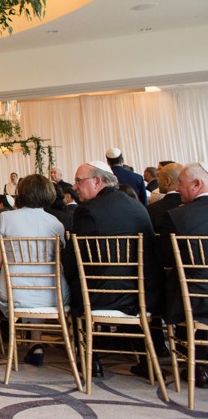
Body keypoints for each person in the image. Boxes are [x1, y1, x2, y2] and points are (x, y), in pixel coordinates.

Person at [62, 160, 161, 378]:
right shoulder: (138, 207)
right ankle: (146, 360)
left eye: (79, 181)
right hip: (141, 295)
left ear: (97, 181)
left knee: (74, 279)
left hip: (101, 297)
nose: (75, 186)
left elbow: (74, 259)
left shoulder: (86, 212)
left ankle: (91, 359)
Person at [0, 174, 68, 366]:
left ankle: (29, 343)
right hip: (53, 294)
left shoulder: (5, 218)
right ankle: (36, 344)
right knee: (39, 283)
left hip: (14, 291)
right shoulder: (56, 224)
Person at [156, 162, 208, 389]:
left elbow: (164, 260)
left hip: (192, 299)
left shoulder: (177, 217)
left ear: (197, 184)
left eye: (181, 184)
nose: (178, 188)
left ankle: (197, 363)